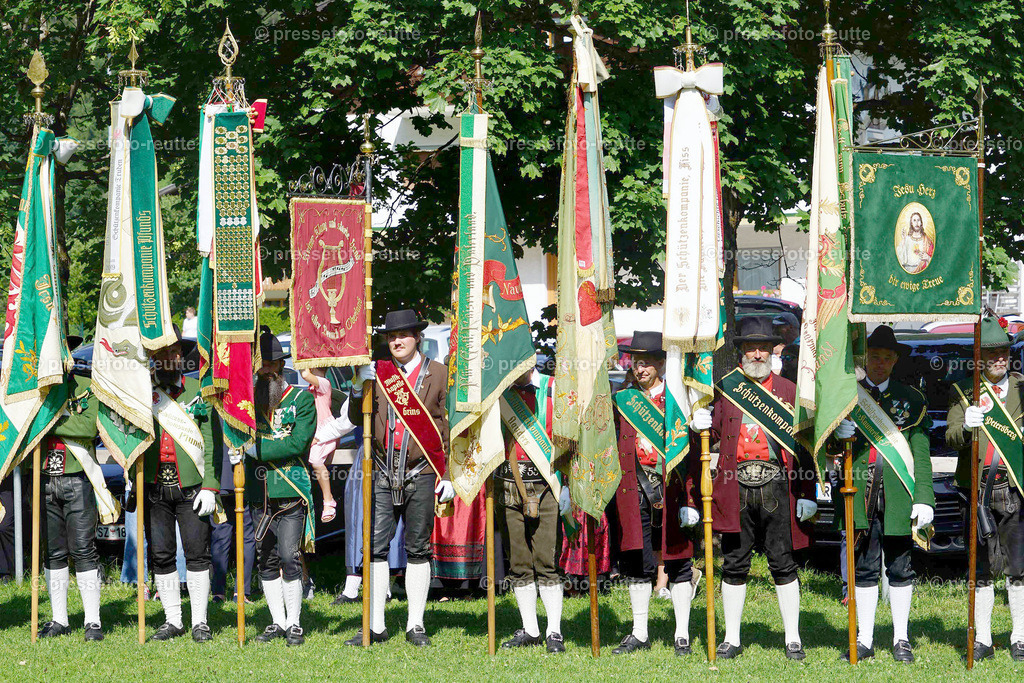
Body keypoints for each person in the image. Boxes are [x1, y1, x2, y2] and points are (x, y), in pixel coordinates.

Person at [689, 316, 818, 660]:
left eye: (762, 348)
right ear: (741, 351)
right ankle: (731, 638)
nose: (757, 354)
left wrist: (807, 493)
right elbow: (710, 436)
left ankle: (792, 638)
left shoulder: (790, 391)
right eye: (751, 347)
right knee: (734, 562)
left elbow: (806, 447)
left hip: (780, 487)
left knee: (783, 562)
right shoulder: (726, 389)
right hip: (735, 487)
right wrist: (696, 424)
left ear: (772, 351)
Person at [345, 309, 454, 647]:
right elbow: (354, 418)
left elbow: (449, 427)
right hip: (379, 471)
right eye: (392, 336)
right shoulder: (377, 373)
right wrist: (355, 387)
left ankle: (415, 625)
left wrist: (448, 474)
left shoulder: (439, 374)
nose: (397, 341)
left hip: (422, 473)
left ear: (418, 337)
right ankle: (375, 626)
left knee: (418, 548)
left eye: (404, 335)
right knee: (374, 548)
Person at [833, 325, 934, 663]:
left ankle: (901, 638)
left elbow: (920, 454)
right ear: (866, 358)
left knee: (901, 567)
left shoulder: (912, 399)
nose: (879, 363)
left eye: (886, 358)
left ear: (894, 361)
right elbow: (825, 447)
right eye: (874, 357)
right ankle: (864, 638)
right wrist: (838, 435)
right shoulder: (847, 396)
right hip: (858, 493)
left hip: (899, 496)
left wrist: (924, 497)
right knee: (863, 568)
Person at [610, 331, 699, 656]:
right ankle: (640, 632)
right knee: (636, 562)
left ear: (662, 364)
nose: (640, 368)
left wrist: (691, 501)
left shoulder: (677, 401)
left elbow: (692, 458)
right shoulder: (623, 400)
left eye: (647, 362)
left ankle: (681, 635)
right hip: (633, 494)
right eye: (636, 362)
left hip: (673, 491)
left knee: (679, 562)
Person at [135, 326, 220, 642]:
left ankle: (200, 621)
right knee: (161, 555)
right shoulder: (142, 393)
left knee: (198, 554)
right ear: (153, 359)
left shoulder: (198, 390)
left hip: (192, 487)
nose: (166, 359)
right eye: (159, 354)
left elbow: (211, 442)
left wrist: (211, 485)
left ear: (180, 357)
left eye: (171, 353)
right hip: (156, 486)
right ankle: (173, 620)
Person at [947, 317, 1024, 662]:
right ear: (979, 357)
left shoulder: (1023, 389)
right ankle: (983, 639)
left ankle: (1020, 637)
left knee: (1018, 567)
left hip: (1013, 489)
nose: (998, 359)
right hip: (975, 491)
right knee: (978, 568)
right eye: (991, 353)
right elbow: (950, 437)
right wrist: (965, 425)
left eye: (1003, 352)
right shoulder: (964, 390)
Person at [234, 331, 316, 646]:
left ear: (281, 366)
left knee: (289, 556)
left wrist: (253, 448)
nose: (266, 371)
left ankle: (295, 623)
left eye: (271, 365)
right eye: (261, 365)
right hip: (258, 493)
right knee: (265, 558)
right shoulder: (247, 404)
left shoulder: (301, 399)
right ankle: (277, 622)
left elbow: (297, 442)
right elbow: (235, 430)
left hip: (290, 491)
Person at [37, 337, 120, 641]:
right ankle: (59, 619)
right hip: (44, 476)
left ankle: (93, 621)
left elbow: (88, 428)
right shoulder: (37, 392)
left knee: (84, 550)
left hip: (77, 475)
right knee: (54, 552)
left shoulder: (87, 385)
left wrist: (48, 423)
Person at [496, 370, 570, 653]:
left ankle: (554, 632)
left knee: (546, 561)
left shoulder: (556, 388)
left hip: (547, 486)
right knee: (519, 562)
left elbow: (568, 441)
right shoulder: (499, 394)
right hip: (508, 486)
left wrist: (567, 487)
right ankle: (530, 629)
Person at [302, 366, 350, 523]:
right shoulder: (313, 387)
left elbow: (305, 374)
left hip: (326, 430)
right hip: (314, 429)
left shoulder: (324, 382)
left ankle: (328, 501)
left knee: (316, 461)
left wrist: (303, 359)